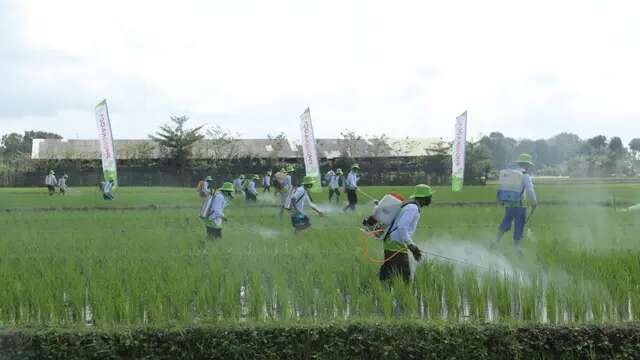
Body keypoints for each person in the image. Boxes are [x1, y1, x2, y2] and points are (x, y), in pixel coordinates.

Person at [379, 184, 433, 283]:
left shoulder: (410, 206)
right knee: (405, 278)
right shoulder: (413, 208)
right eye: (430, 197)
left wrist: (410, 246)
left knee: (388, 275)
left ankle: (377, 289)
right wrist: (411, 245)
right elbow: (402, 226)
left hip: (392, 242)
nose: (431, 199)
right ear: (424, 198)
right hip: (396, 244)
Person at [492, 153, 538, 255]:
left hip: (509, 205)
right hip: (520, 207)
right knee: (519, 226)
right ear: (527, 165)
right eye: (529, 165)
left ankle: (495, 241)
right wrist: (534, 203)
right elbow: (530, 190)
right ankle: (517, 248)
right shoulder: (525, 176)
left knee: (505, 222)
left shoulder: (512, 175)